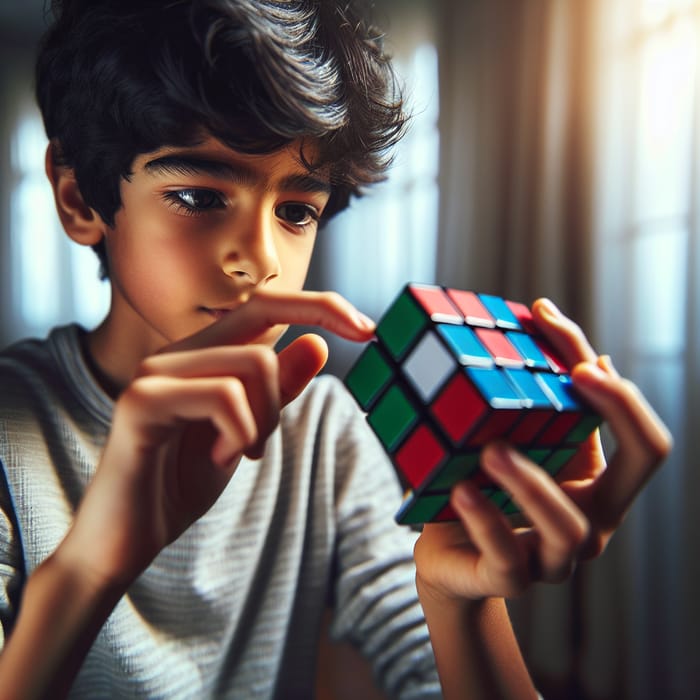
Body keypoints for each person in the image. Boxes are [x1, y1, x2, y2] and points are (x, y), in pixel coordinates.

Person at [0, 1, 672, 698]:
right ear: (80, 199)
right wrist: (89, 569)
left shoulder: (323, 427)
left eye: (295, 211)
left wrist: (461, 604)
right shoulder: (10, 433)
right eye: (200, 196)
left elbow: (423, 668)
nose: (260, 259)